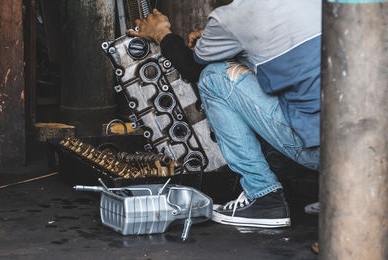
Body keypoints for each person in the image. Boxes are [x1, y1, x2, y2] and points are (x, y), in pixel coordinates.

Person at [127, 0, 321, 228]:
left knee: (213, 77)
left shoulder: (233, 16)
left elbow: (193, 69)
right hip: (363, 151)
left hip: (317, 152)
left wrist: (162, 35)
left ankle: (264, 198)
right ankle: (344, 195)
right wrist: (225, 38)